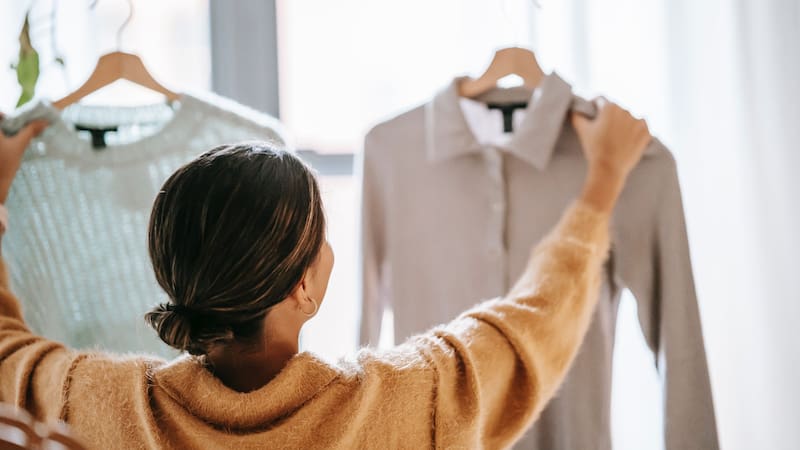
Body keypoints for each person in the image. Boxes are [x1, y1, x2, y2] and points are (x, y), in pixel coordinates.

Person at [0, 100, 650, 449]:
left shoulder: (100, 406)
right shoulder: (409, 404)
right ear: (304, 287)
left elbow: (9, 354)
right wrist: (602, 183)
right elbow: (537, 319)